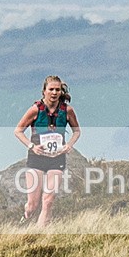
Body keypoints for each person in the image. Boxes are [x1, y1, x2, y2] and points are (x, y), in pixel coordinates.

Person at [14, 76, 81, 227]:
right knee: (33, 204)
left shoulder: (67, 110)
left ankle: (40, 232)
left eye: (57, 90)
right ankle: (25, 218)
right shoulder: (35, 110)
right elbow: (18, 131)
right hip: (36, 159)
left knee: (48, 200)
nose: (54, 92)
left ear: (61, 91)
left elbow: (77, 131)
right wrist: (32, 146)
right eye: (51, 89)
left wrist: (69, 145)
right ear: (44, 91)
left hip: (57, 158)